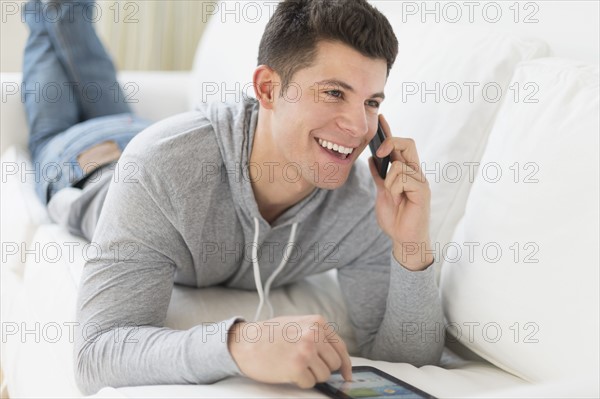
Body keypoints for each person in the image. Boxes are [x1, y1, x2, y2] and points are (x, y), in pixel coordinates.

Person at [22, 0, 444, 395]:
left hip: (150, 132)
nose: (358, 127)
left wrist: (411, 245)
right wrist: (239, 343)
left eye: (371, 102)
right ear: (267, 89)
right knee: (53, 33)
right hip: (87, 164)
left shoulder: (363, 205)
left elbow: (409, 361)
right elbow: (96, 355)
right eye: (334, 92)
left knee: (95, 80)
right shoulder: (162, 167)